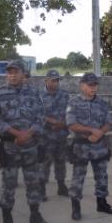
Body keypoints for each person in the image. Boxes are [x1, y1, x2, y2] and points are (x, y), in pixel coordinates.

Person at [0, 60, 48, 223]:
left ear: (24, 73)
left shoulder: (34, 93)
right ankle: (7, 218)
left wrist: (28, 134)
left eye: (16, 72)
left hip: (31, 145)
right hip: (10, 147)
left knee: (33, 182)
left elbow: (41, 117)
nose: (12, 75)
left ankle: (35, 214)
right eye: (9, 72)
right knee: (9, 183)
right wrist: (17, 134)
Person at [67, 73, 112, 218]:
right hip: (81, 147)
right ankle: (76, 207)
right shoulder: (74, 103)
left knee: (102, 176)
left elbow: (109, 122)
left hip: (99, 146)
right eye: (90, 85)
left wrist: (99, 133)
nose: (93, 87)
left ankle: (102, 203)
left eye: (95, 85)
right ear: (82, 85)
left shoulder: (102, 103)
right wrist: (91, 130)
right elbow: (71, 124)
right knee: (78, 178)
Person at [39, 69, 70, 198]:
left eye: (57, 80)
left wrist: (63, 123)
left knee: (61, 161)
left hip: (61, 133)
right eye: (53, 80)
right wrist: (53, 122)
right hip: (46, 135)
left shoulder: (64, 95)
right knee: (45, 162)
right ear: (46, 81)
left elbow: (70, 110)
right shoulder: (39, 96)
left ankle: (61, 186)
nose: (55, 83)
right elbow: (37, 114)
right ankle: (41, 188)